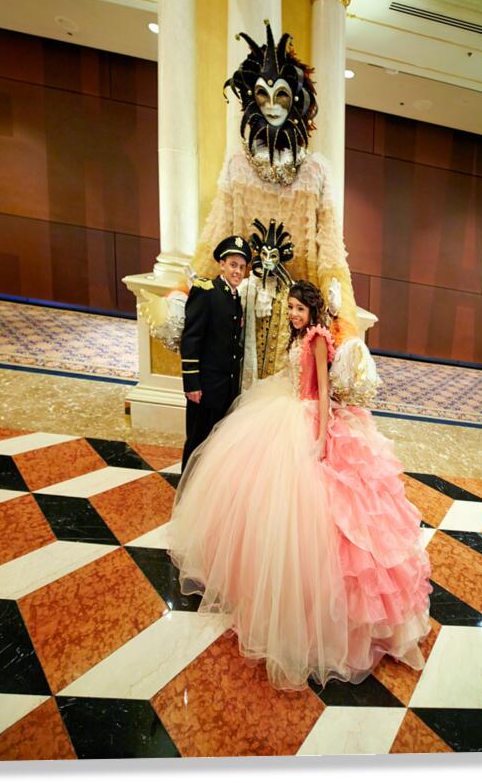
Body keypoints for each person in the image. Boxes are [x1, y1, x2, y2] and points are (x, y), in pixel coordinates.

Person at [169, 280, 432, 691]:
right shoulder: (299, 337)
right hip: (287, 412)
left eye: (298, 309)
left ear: (312, 311)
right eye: (290, 308)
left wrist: (321, 438)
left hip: (310, 420)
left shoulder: (319, 340)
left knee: (319, 518)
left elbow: (323, 393)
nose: (293, 314)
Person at [180, 235, 252, 473]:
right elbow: (191, 339)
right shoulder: (206, 291)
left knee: (214, 445)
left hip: (225, 389)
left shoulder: (235, 298)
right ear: (222, 264)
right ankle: (186, 493)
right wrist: (192, 383)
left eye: (242, 267)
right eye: (233, 265)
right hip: (205, 388)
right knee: (197, 442)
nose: (237, 271)